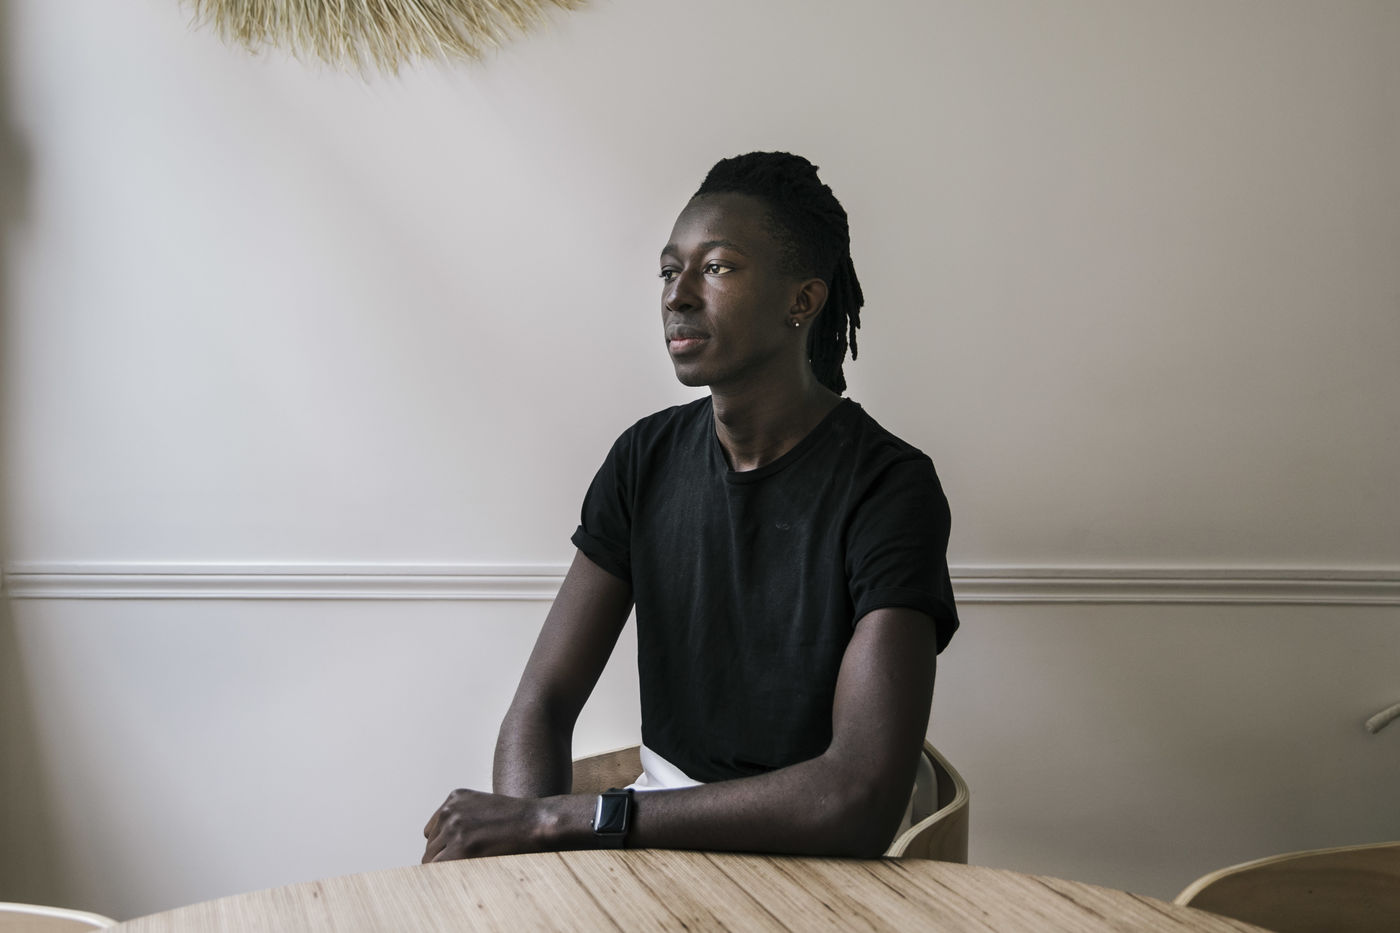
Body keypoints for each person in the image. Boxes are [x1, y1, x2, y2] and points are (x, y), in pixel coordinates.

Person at [423, 151, 958, 862]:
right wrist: (529, 865)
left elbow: (855, 797)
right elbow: (541, 705)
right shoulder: (643, 460)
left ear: (802, 302)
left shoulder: (889, 486)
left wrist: (565, 820)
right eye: (669, 270)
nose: (678, 295)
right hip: (660, 837)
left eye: (717, 267)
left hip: (826, 860)